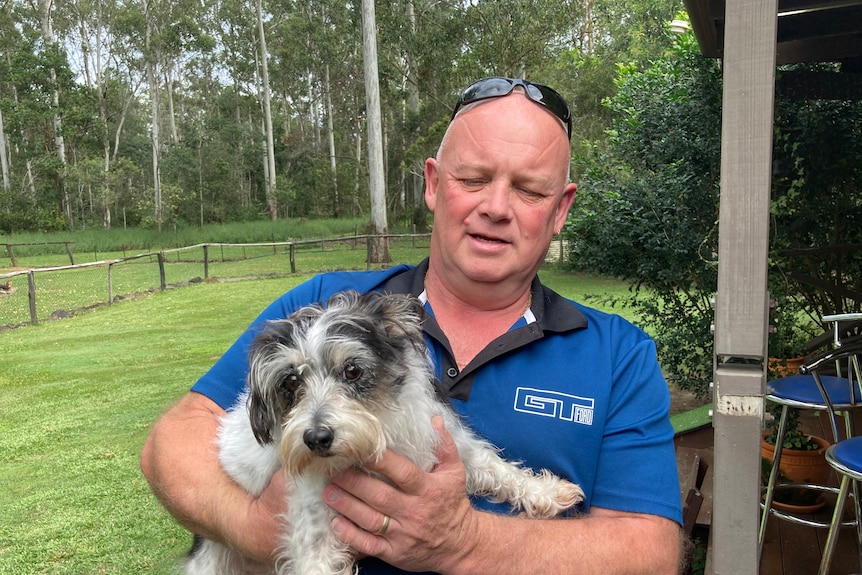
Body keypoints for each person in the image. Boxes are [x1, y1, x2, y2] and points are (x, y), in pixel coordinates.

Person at [141, 77, 683, 574]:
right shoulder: (322, 305)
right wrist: (254, 527)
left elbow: (651, 553)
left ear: (561, 209)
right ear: (432, 183)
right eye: (473, 178)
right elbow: (174, 442)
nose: (495, 207)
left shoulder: (619, 355)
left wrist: (467, 543)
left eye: (529, 190)